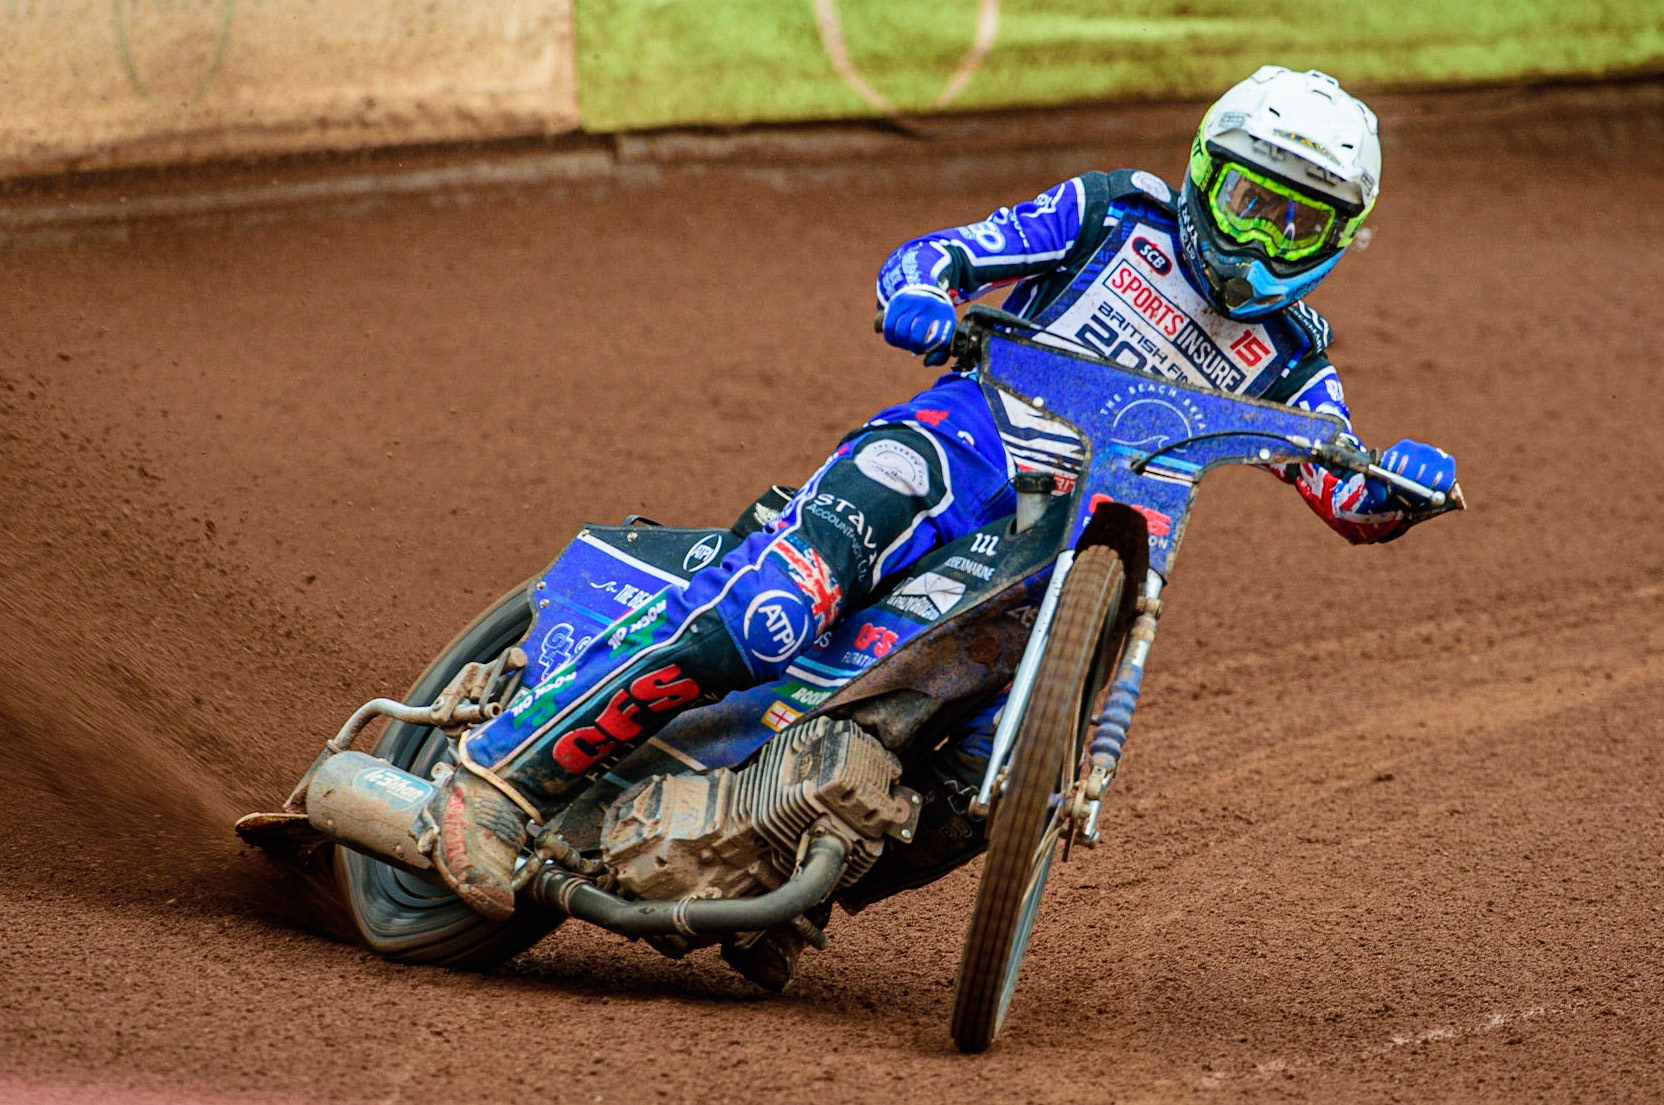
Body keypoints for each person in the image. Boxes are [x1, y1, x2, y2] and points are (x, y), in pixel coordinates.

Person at [426, 66, 1457, 980]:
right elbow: (943, 255)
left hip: (1075, 542)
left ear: (1338, 238)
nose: (1260, 241)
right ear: (1200, 176)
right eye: (1247, 202)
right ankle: (504, 775)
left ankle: (796, 891)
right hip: (957, 446)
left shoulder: (1290, 355)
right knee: (773, 613)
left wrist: (1396, 484)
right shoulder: (1111, 217)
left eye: (1297, 224)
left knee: (987, 781)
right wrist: (921, 293)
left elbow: (1345, 486)